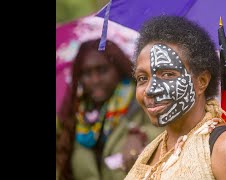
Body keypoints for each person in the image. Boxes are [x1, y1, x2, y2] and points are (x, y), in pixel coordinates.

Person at [125, 15, 226, 180]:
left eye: (168, 74)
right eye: (142, 78)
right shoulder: (151, 151)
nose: (150, 89)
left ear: (201, 81)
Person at [56, 38, 164, 180]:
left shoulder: (146, 100)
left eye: (102, 70)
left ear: (118, 69)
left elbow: (171, 136)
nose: (95, 80)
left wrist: (140, 135)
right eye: (87, 73)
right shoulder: (74, 114)